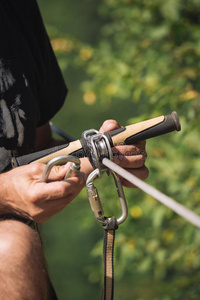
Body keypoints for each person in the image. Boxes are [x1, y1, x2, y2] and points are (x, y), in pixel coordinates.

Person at [0, 0, 149, 299]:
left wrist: (101, 155)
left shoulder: (15, 10)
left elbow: (37, 150)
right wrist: (4, 195)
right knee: (10, 247)